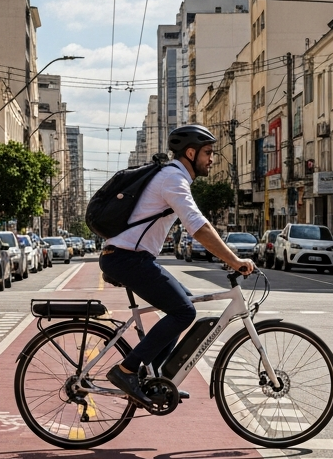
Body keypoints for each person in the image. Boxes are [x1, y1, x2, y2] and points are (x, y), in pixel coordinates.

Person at [99, 125, 255, 407]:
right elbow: (198, 227)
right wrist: (234, 260)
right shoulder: (173, 178)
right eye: (208, 153)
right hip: (126, 258)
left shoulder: (173, 177)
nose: (212, 159)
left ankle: (156, 379)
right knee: (184, 311)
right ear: (191, 152)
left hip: (132, 258)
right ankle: (126, 371)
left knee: (184, 304)